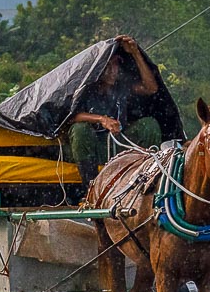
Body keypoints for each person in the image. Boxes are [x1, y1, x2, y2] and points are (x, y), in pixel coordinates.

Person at [65, 35, 163, 189]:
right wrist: (101, 119)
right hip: (92, 148)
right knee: (79, 130)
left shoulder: (123, 86)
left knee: (149, 125)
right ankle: (91, 189)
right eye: (107, 67)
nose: (112, 71)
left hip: (120, 143)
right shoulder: (85, 89)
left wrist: (136, 54)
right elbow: (69, 116)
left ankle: (145, 183)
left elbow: (151, 88)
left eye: (115, 66)